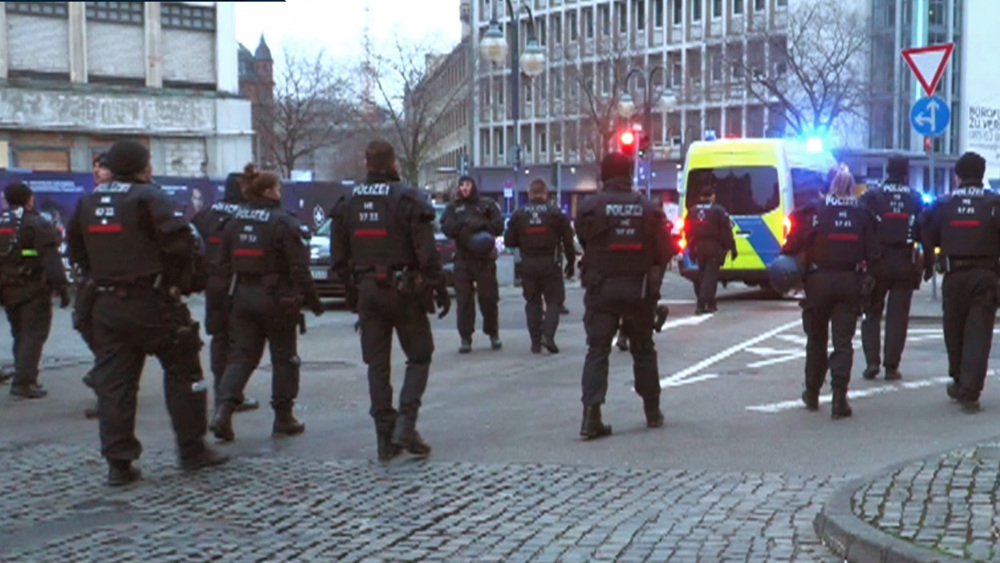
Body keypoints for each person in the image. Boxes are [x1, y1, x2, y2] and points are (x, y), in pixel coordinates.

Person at [67, 139, 228, 486]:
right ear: (144, 167)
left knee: (114, 386)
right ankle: (192, 449)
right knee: (185, 371)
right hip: (152, 302)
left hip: (106, 305)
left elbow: (75, 250)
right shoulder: (151, 198)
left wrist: (99, 278)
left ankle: (119, 464)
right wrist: (179, 282)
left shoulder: (88, 201)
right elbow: (183, 245)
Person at [331, 140, 451, 462]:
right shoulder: (408, 199)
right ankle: (406, 424)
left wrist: (352, 290)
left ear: (366, 162)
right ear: (393, 162)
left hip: (367, 291)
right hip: (404, 289)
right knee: (420, 355)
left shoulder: (347, 201)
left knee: (377, 365)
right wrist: (438, 287)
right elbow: (427, 252)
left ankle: (385, 437)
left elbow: (338, 257)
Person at [209, 166, 324, 442]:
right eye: (278, 189)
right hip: (277, 299)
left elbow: (221, 265)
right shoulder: (283, 222)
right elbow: (299, 268)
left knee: (242, 356)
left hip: (242, 297)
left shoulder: (233, 221)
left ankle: (223, 411)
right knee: (284, 359)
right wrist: (313, 300)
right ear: (269, 191)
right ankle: (283, 418)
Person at [574, 152, 673, 440]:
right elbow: (665, 250)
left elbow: (583, 238)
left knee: (597, 351)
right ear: (630, 173)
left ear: (604, 175)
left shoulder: (590, 207)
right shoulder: (647, 208)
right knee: (643, 350)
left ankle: (591, 417)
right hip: (637, 290)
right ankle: (652, 412)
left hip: (600, 288)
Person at [780, 167, 879, 419]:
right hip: (848, 281)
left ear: (831, 186)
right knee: (843, 342)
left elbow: (791, 245)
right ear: (853, 188)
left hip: (817, 281)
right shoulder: (862, 213)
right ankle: (839, 398)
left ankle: (812, 393)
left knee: (816, 339)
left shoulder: (814, 210)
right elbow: (874, 253)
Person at [920, 152, 1000, 414]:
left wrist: (930, 260)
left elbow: (925, 229)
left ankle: (961, 381)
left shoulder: (944, 204)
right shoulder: (994, 203)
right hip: (985, 276)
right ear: (982, 175)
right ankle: (969, 388)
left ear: (958, 176)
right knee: (978, 333)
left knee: (953, 332)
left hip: (954, 276)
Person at [191, 168, 260, 413]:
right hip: (239, 284)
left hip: (213, 284)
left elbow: (193, 246)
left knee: (218, 337)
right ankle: (231, 395)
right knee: (240, 342)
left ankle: (222, 387)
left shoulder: (206, 214)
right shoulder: (250, 215)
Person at [0, 182, 69, 399]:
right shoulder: (36, 223)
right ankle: (24, 382)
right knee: (33, 334)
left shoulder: (3, 220)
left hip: (6, 287)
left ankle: (23, 372)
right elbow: (50, 257)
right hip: (31, 287)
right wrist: (62, 287)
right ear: (29, 198)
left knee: (19, 332)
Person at [859, 155, 924, 381]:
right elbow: (922, 227)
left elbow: (862, 224)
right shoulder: (915, 198)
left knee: (871, 312)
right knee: (898, 317)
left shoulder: (873, 196)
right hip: (904, 261)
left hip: (878, 261)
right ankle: (891, 365)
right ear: (906, 172)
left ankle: (872, 362)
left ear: (887, 171)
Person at [503, 178, 575, 354]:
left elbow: (509, 240)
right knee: (554, 301)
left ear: (529, 194)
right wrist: (571, 263)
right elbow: (568, 240)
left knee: (532, 302)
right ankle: (548, 336)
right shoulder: (555, 213)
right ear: (546, 194)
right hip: (550, 262)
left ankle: (535, 341)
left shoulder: (519, 214)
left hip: (528, 263)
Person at [440, 175, 504, 353]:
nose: (465, 188)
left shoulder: (486, 205)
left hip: (484, 259)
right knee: (464, 300)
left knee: (489, 298)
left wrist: (481, 226)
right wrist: (462, 228)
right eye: (462, 185)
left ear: (473, 186)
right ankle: (465, 337)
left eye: (467, 184)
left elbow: (498, 225)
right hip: (463, 258)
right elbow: (446, 226)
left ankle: (493, 333)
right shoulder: (454, 207)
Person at [684, 186, 736, 314]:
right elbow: (726, 231)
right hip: (714, 247)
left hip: (698, 247)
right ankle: (701, 304)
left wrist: (691, 248)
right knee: (710, 277)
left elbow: (687, 230)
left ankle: (711, 303)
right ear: (712, 196)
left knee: (703, 275)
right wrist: (732, 247)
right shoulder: (718, 210)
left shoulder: (693, 211)